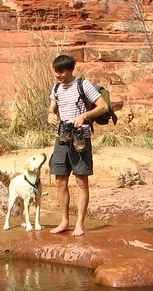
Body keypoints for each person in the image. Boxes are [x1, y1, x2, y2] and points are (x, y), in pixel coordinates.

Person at [46, 54, 109, 236]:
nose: (58, 75)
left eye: (62, 71)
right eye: (56, 71)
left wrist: (84, 116)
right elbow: (52, 106)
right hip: (62, 137)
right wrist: (50, 113)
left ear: (70, 69)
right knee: (60, 180)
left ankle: (80, 224)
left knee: (81, 181)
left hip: (81, 137)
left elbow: (103, 106)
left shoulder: (83, 85)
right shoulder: (57, 87)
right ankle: (64, 221)